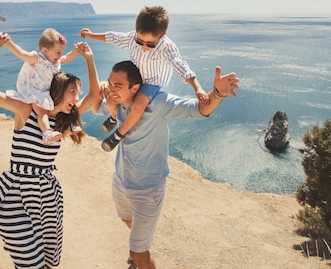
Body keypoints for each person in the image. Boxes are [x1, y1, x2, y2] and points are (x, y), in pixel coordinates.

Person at [92, 60, 239, 269]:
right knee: (126, 219)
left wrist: (217, 93)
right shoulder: (116, 102)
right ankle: (140, 241)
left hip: (148, 189)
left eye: (118, 85)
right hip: (121, 181)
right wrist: (96, 77)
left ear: (135, 88)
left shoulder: (158, 103)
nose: (112, 89)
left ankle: (139, 254)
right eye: (110, 83)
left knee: (138, 252)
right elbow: (93, 105)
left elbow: (199, 109)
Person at [0, 32, 100, 269]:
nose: (77, 97)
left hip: (47, 197)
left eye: (77, 94)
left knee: (48, 264)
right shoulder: (26, 110)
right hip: (16, 195)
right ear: (59, 90)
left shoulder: (63, 120)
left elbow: (94, 95)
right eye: (73, 92)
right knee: (30, 263)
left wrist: (89, 59)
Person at [80, 5, 209, 152]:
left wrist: (197, 87)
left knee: (139, 106)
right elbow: (113, 37)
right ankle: (114, 117)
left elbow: (181, 66)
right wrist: (91, 35)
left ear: (162, 36)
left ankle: (118, 134)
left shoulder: (167, 47)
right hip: (135, 77)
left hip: (152, 83)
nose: (144, 47)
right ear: (136, 33)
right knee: (111, 99)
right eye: (140, 41)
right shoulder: (131, 38)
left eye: (150, 44)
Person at [3, 28, 80, 145]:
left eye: (61, 52)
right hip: (34, 92)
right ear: (45, 50)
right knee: (43, 112)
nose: (60, 56)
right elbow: (22, 53)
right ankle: (47, 133)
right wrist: (8, 43)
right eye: (58, 52)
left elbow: (67, 58)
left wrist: (77, 51)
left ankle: (65, 127)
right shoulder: (36, 59)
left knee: (59, 106)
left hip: (45, 93)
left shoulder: (55, 62)